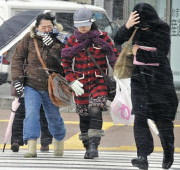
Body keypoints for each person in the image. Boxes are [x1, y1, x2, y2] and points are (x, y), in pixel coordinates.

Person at [114, 3, 178, 170]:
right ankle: (142, 156)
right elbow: (117, 40)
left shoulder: (162, 28)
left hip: (159, 82)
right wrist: (127, 26)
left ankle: (168, 152)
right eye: (140, 25)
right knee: (140, 119)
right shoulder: (133, 27)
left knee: (163, 121)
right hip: (139, 81)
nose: (144, 28)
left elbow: (160, 54)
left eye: (146, 25)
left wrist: (138, 52)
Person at [61, 8, 118, 159]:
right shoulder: (73, 40)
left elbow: (114, 57)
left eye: (85, 24)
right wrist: (71, 80)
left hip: (98, 81)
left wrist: (120, 75)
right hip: (80, 84)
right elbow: (65, 61)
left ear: (91, 22)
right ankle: (86, 145)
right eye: (79, 25)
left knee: (95, 110)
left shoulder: (102, 37)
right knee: (84, 117)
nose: (83, 28)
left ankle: (94, 145)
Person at [11, 12, 67, 158]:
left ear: (54, 26)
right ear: (37, 26)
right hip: (31, 84)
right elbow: (17, 59)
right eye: (44, 27)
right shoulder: (29, 39)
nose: (47, 29)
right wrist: (17, 79)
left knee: (53, 116)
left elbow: (65, 60)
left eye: (50, 26)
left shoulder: (60, 38)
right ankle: (31, 147)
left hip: (52, 85)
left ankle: (59, 142)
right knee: (31, 114)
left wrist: (53, 47)